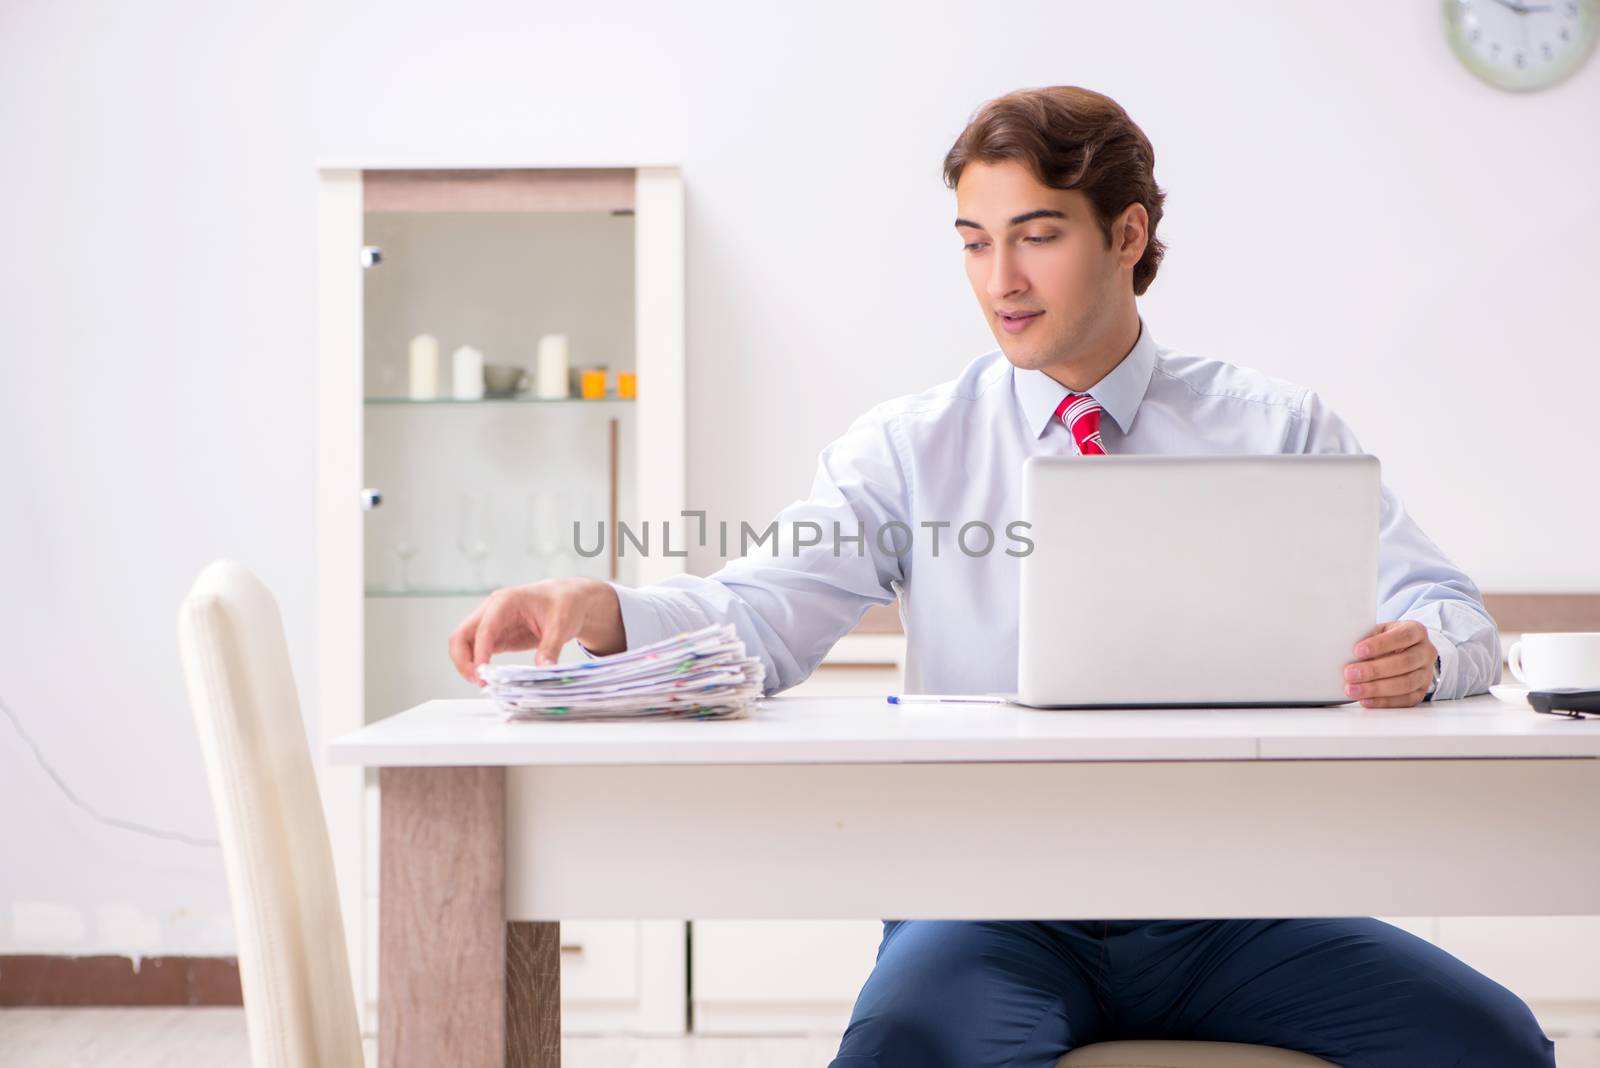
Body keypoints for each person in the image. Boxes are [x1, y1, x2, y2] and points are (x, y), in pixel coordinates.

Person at [448, 86, 1551, 1067]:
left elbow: (1449, 612)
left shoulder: (1275, 427)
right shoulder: (912, 447)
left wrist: (1427, 655)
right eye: (973, 243)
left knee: (1490, 1044)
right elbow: (755, 618)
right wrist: (606, 609)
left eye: (1034, 237)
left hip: (1235, 904)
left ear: (1127, 234)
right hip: (986, 901)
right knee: (905, 1048)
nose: (1000, 282)